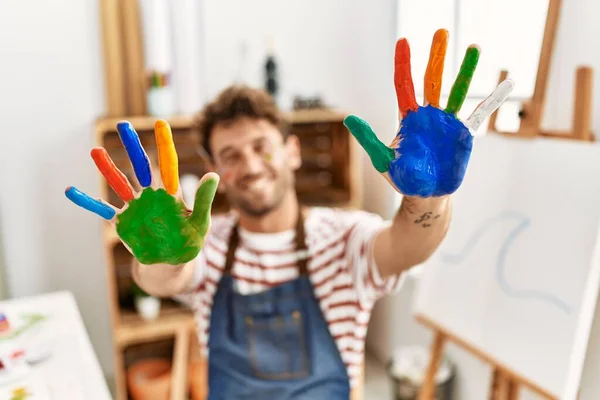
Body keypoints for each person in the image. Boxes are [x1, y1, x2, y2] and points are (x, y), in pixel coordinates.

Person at [66, 31, 511, 400]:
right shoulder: (204, 241)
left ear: (293, 151)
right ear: (216, 169)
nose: (251, 165)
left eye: (261, 146)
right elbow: (165, 279)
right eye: (230, 154)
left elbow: (409, 247)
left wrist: (429, 197)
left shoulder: (344, 235)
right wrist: (162, 256)